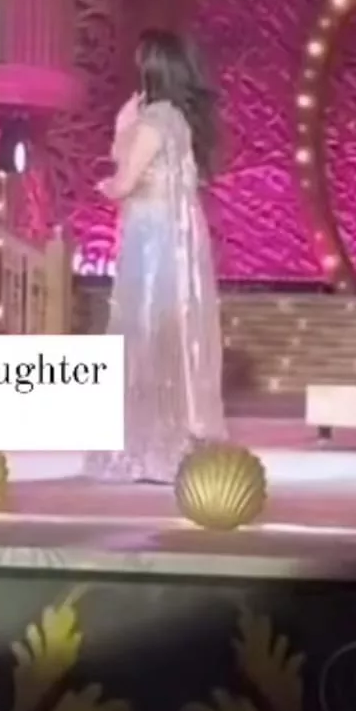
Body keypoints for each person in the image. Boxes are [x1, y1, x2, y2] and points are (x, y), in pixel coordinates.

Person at [86, 28, 225, 484]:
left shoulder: (154, 121)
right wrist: (123, 129)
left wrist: (109, 179)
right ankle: (174, 438)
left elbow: (123, 182)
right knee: (170, 337)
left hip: (153, 240)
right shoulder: (178, 120)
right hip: (177, 238)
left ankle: (148, 447)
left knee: (144, 333)